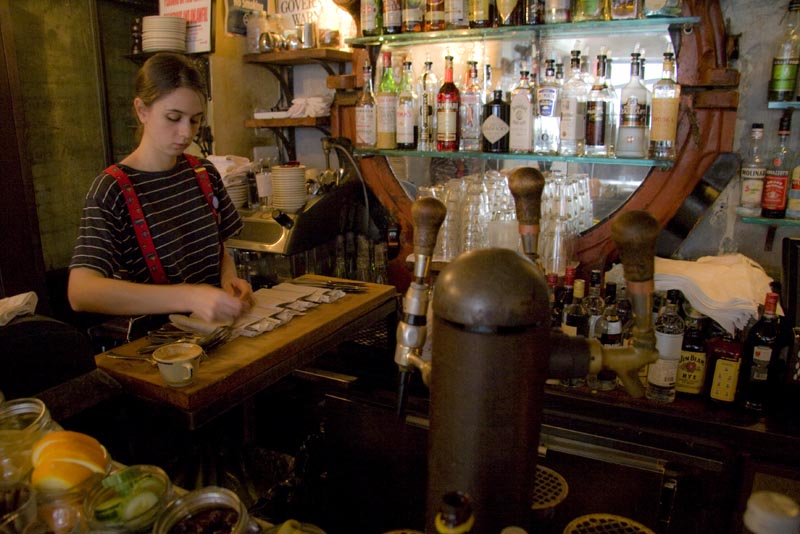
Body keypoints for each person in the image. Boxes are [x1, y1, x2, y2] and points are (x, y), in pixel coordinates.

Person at [68, 53, 252, 324]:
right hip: (157, 351)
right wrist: (188, 296)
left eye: (195, 120)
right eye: (173, 117)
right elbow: (80, 292)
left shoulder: (203, 173)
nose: (186, 133)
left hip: (216, 333)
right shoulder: (112, 189)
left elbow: (219, 248)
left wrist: (228, 280)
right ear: (142, 110)